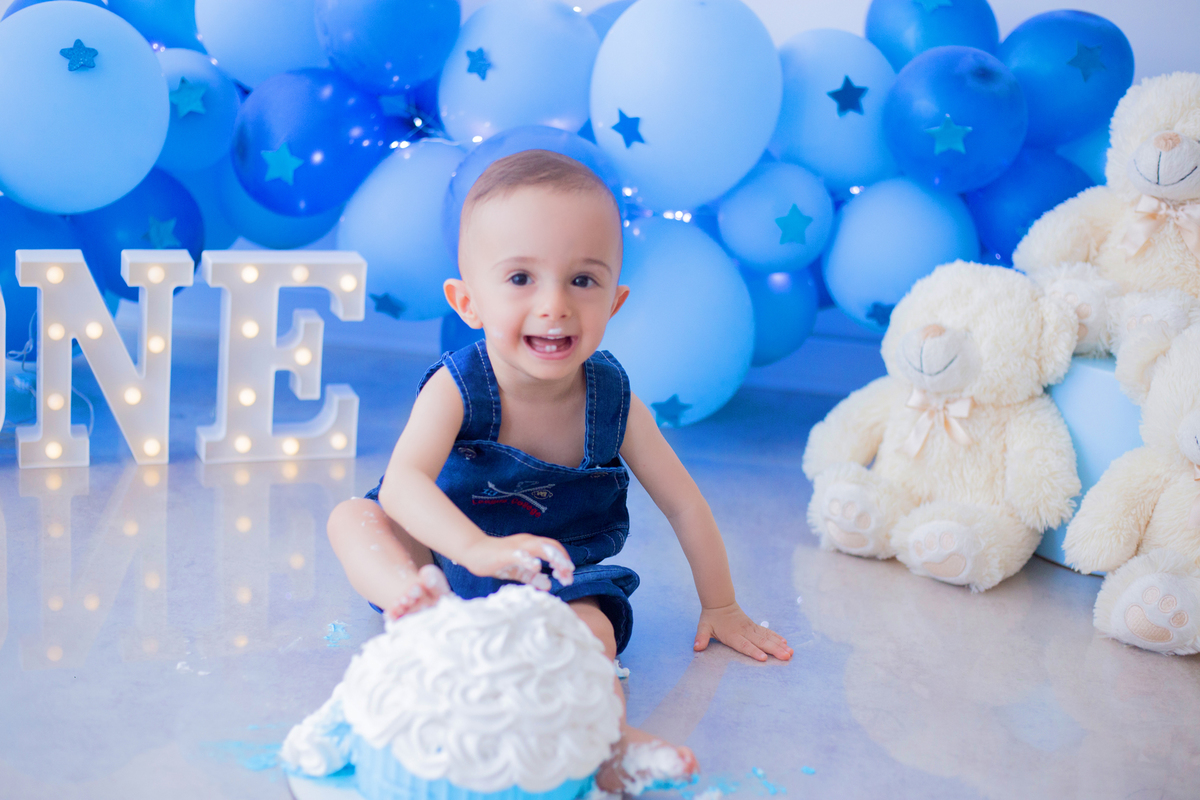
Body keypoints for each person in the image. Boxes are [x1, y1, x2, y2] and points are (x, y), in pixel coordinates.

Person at [327, 148, 792, 791]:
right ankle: (414, 612)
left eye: (582, 280)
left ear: (615, 301)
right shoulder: (458, 387)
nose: (555, 305)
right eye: (521, 278)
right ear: (467, 301)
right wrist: (473, 550)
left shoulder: (614, 402)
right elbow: (405, 482)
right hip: (441, 562)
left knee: (594, 633)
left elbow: (685, 504)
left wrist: (724, 605)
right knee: (355, 518)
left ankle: (610, 743)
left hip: (553, 582)